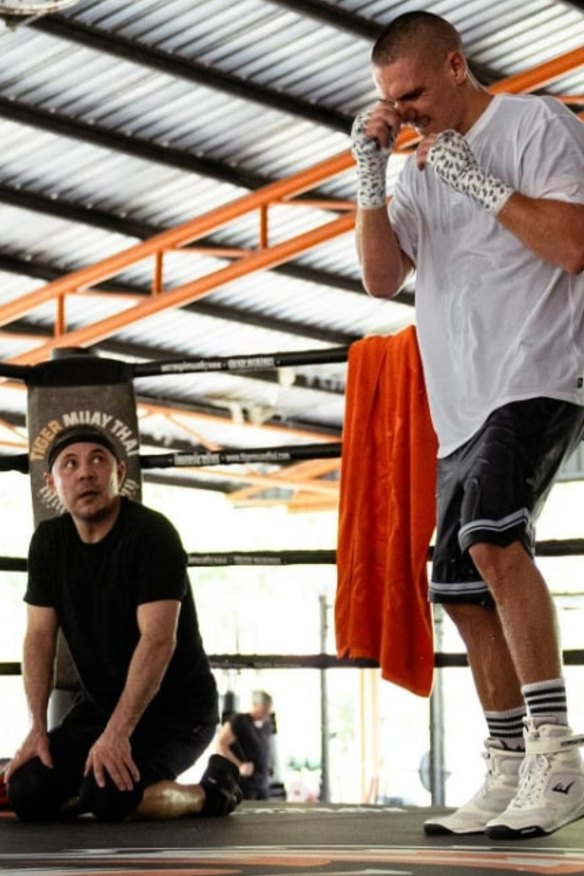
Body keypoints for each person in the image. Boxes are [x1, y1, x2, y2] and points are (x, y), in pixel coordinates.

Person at [351, 11, 584, 840]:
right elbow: (382, 280)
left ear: (454, 65)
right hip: (459, 402)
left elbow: (573, 245)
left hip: (540, 371)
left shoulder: (536, 123)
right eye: (389, 101)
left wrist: (481, 181)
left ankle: (558, 756)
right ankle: (510, 760)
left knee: (492, 538)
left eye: (412, 93)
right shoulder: (414, 169)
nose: (403, 111)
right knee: (456, 583)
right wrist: (373, 174)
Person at [5, 424, 242, 822]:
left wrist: (116, 736)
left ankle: (212, 792)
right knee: (26, 791)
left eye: (98, 460)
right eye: (70, 464)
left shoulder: (152, 535)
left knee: (108, 797)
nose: (85, 472)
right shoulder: (48, 542)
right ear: (51, 482)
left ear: (120, 472)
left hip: (177, 713)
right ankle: (82, 788)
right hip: (98, 711)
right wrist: (36, 729)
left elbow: (157, 641)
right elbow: (39, 637)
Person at [215, 691, 273, 799]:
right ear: (255, 705)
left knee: (265, 814)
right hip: (246, 785)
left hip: (262, 783)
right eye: (264, 708)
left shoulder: (267, 724)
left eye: (269, 708)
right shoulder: (240, 721)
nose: (267, 712)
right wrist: (239, 766)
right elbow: (220, 744)